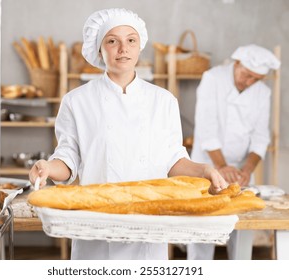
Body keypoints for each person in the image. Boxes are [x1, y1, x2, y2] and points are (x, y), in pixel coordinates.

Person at [29, 8, 227, 260]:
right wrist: (47, 167)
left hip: (149, 226)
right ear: (100, 50)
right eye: (112, 41)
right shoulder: (76, 101)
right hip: (95, 226)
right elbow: (68, 160)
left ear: (139, 46)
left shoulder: (163, 100)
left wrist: (205, 171)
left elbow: (173, 160)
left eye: (131, 40)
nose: (123, 49)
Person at [187, 44, 281, 260]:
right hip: (207, 165)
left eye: (255, 79)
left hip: (240, 170)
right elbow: (206, 129)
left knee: (242, 226)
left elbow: (260, 136)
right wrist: (221, 166)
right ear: (236, 63)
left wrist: (247, 169)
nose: (249, 82)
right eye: (246, 75)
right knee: (203, 227)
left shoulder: (262, 92)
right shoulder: (212, 79)